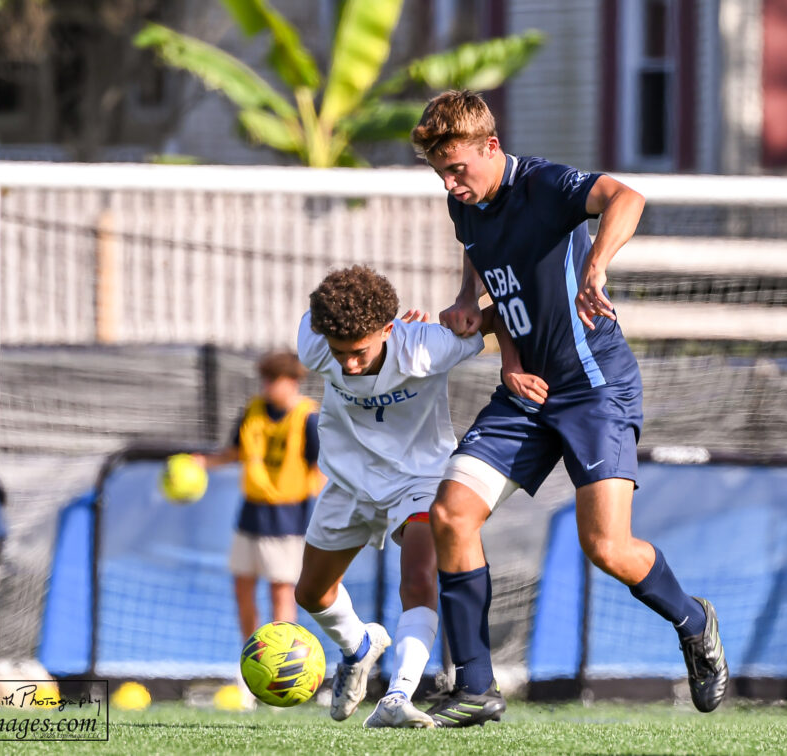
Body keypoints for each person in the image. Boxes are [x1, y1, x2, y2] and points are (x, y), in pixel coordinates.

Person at [409, 90, 728, 727]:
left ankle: (694, 620)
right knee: (449, 514)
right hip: (525, 393)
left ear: (491, 148)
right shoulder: (463, 202)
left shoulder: (545, 185)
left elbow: (627, 197)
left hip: (595, 389)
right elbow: (489, 266)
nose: (449, 182)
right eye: (440, 171)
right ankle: (475, 687)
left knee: (606, 546)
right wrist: (473, 308)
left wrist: (597, 269)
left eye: (457, 169)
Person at [294, 264, 508, 728]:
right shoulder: (312, 344)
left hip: (421, 479)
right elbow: (334, 345)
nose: (348, 364)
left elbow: (500, 319)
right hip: (350, 480)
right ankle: (358, 647)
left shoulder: (427, 348)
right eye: (339, 353)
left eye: (359, 351)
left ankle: (397, 696)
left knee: (417, 579)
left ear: (389, 329)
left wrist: (477, 323)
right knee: (311, 593)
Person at [185, 351, 322, 706]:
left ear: (292, 381)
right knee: (242, 591)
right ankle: (249, 669)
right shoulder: (253, 410)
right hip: (250, 515)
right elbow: (235, 452)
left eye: (273, 380)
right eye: (264, 379)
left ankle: (285, 672)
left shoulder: (308, 417)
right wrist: (203, 463)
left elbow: (322, 470)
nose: (267, 387)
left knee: (282, 594)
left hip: (287, 518)